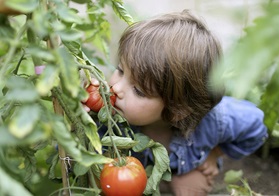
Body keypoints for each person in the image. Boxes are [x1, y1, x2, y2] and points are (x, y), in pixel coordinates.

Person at [83, 10, 268, 196]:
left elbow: (257, 124)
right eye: (120, 70)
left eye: (138, 90)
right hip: (129, 171)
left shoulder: (217, 120)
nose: (115, 88)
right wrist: (81, 115)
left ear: (178, 110)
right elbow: (76, 151)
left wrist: (215, 153)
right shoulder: (109, 118)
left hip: (187, 168)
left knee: (188, 190)